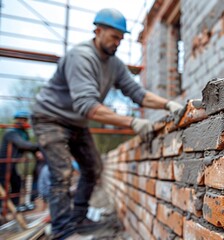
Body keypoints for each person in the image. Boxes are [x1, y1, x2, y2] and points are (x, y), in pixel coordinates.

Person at [31, 8, 183, 240]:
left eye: (121, 38)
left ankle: (79, 218)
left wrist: (169, 105)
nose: (118, 43)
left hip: (76, 121)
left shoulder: (114, 64)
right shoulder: (81, 57)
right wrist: (132, 122)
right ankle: (63, 232)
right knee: (61, 174)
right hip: (50, 118)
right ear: (98, 31)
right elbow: (87, 106)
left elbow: (137, 92)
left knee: (93, 167)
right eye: (114, 37)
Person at [0, 111, 42, 208]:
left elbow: (28, 147)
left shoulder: (23, 133)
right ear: (16, 120)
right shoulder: (11, 132)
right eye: (20, 119)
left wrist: (36, 152)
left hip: (14, 163)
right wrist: (41, 146)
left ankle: (15, 205)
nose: (22, 122)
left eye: (24, 120)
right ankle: (2, 207)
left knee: (16, 183)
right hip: (4, 163)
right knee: (4, 185)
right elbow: (23, 145)